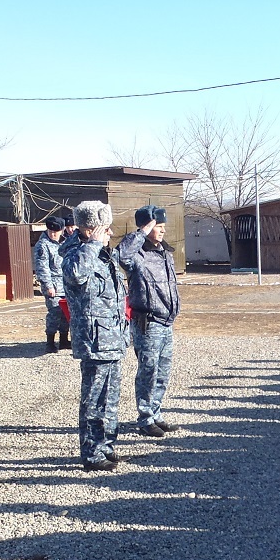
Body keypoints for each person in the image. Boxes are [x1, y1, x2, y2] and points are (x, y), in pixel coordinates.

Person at [61, 201, 128, 472]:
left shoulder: (101, 254)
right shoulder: (76, 253)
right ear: (90, 229)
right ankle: (91, 452)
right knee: (94, 398)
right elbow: (75, 275)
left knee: (110, 397)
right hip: (94, 339)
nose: (110, 233)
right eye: (105, 228)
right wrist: (92, 245)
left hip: (112, 337)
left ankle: (106, 445)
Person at [117, 205, 181, 438]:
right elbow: (120, 255)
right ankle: (145, 418)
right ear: (145, 227)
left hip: (166, 322)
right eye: (157, 227)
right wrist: (142, 233)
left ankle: (156, 414)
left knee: (162, 372)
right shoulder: (136, 255)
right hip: (148, 322)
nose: (162, 231)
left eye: (163, 226)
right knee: (148, 372)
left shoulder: (165, 253)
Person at [33, 215, 69, 353]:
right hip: (53, 285)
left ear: (62, 230)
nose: (53, 234)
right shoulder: (43, 245)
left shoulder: (64, 243)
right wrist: (48, 286)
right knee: (54, 313)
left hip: (66, 285)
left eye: (56, 232)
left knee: (66, 313)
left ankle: (64, 340)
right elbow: (42, 267)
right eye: (50, 231)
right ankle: (50, 342)